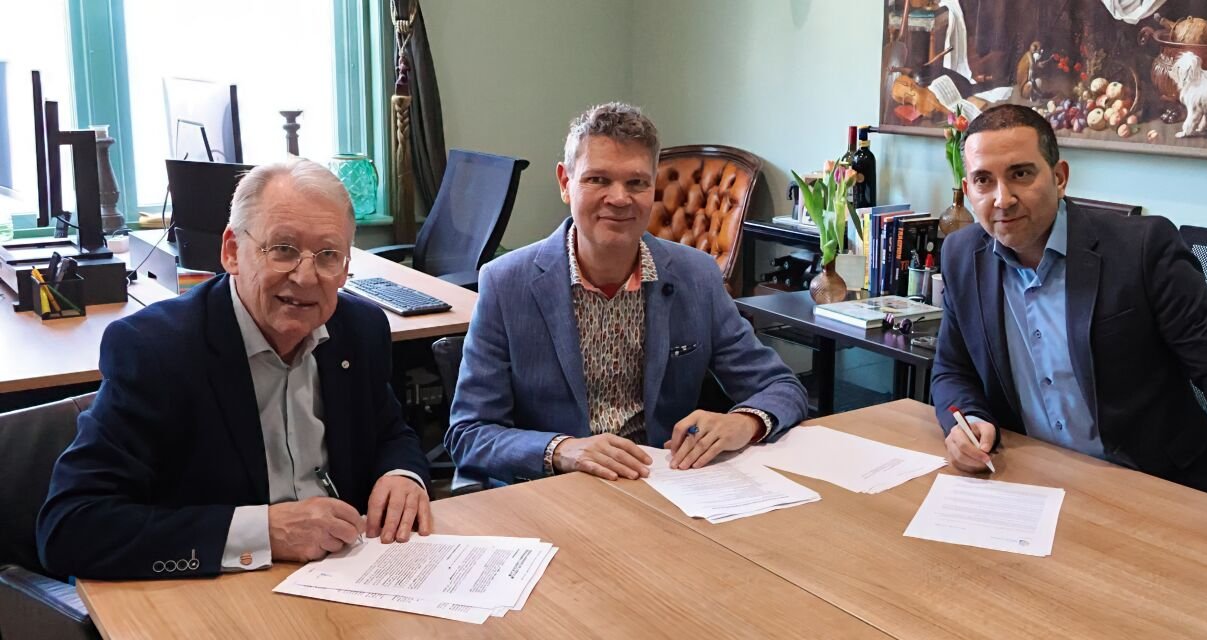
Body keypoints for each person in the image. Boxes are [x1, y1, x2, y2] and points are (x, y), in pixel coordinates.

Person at [37, 159, 432, 580]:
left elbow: (391, 432)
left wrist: (402, 474)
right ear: (231, 251)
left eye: (328, 255)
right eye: (282, 249)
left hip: (354, 577)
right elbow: (70, 528)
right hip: (222, 590)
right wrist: (264, 531)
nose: (305, 276)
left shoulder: (360, 330)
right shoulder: (157, 352)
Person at [931, 104, 1207, 505]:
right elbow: (952, 369)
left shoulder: (1143, 250)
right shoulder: (961, 255)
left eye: (1021, 174)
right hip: (1033, 483)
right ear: (967, 188)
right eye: (983, 181)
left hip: (1156, 487)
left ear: (1059, 177)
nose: (1002, 199)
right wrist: (969, 420)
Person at [445, 102, 807, 486]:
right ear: (565, 183)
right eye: (597, 180)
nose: (619, 198)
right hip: (555, 493)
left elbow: (782, 388)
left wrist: (743, 422)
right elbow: (469, 433)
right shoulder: (506, 283)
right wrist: (562, 450)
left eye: (636, 183)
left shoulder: (696, 276)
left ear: (654, 187)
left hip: (667, 488)